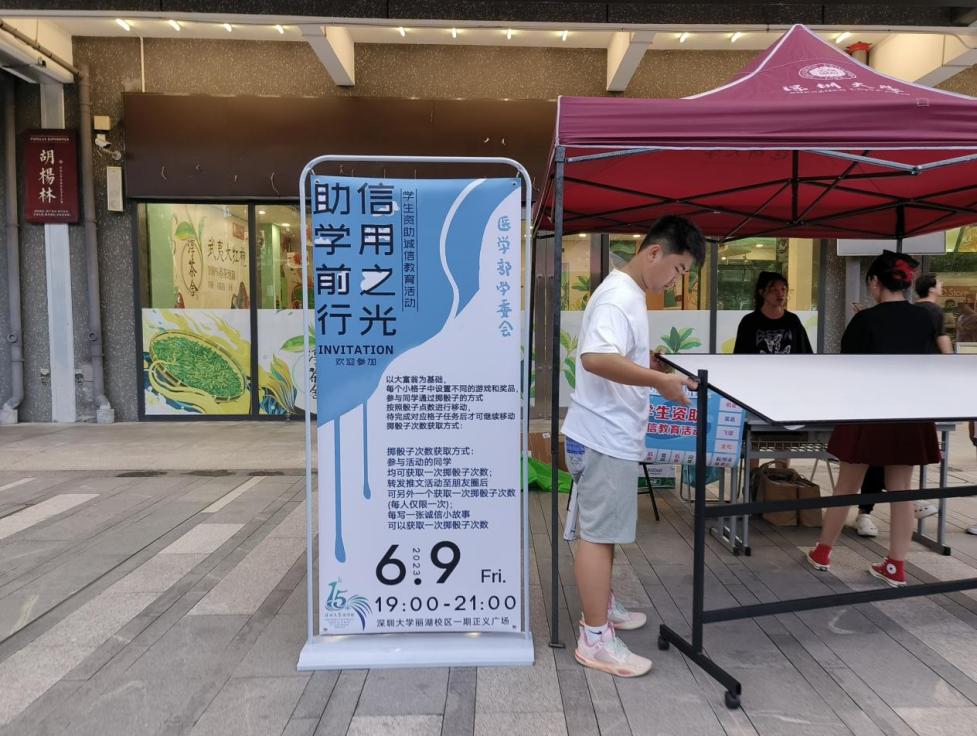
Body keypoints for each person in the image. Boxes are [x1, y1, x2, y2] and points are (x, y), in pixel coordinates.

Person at [562, 215, 706, 677]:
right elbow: (595, 358)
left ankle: (602, 607)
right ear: (654, 253)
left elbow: (611, 356)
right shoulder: (619, 296)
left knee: (603, 532)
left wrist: (650, 369)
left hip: (606, 435)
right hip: (604, 436)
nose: (678, 280)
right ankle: (595, 637)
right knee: (599, 536)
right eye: (679, 269)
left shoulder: (626, 293)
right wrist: (659, 381)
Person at [807, 251, 941, 587]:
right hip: (910, 412)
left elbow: (847, 369)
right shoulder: (924, 318)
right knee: (901, 489)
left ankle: (823, 552)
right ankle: (896, 566)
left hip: (866, 411)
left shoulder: (864, 321)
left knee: (847, 485)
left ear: (874, 282)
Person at [853, 272, 948, 537]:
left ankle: (862, 517)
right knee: (897, 475)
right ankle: (895, 547)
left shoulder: (874, 317)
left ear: (876, 283)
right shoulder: (927, 315)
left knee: (872, 466)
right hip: (909, 402)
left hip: (877, 403)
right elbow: (942, 347)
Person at [733, 271, 813, 355]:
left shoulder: (793, 320)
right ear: (761, 292)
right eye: (774, 290)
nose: (780, 294)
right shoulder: (749, 322)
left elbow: (806, 355)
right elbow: (739, 357)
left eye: (783, 289)